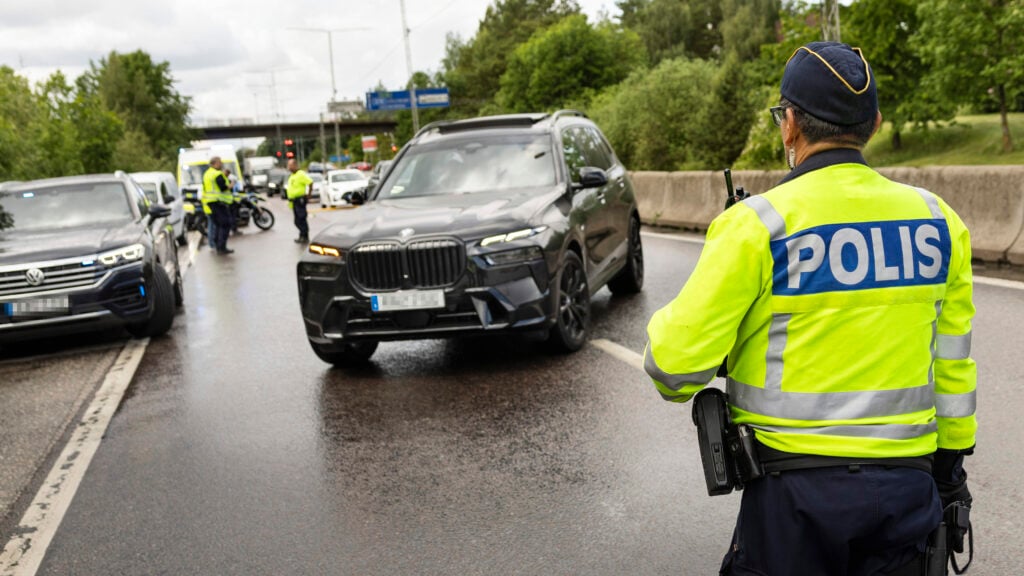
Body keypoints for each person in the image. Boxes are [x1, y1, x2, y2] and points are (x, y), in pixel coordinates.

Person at [644, 42, 976, 575]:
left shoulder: (757, 225)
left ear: (790, 125)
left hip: (793, 502)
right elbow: (953, 368)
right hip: (908, 492)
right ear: (875, 124)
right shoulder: (939, 221)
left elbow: (672, 368)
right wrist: (951, 474)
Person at [202, 156, 234, 254]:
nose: (221, 164)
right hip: (219, 201)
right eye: (220, 162)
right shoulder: (217, 174)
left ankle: (217, 246)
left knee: (218, 225)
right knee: (225, 224)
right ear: (215, 163)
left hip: (210, 202)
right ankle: (221, 247)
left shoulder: (207, 173)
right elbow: (222, 187)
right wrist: (230, 185)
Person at [286, 159, 313, 243]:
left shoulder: (300, 174)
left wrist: (309, 195)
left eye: (290, 165)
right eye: (288, 165)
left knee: (301, 219)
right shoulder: (292, 176)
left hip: (299, 200)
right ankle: (302, 235)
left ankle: (305, 236)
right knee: (297, 221)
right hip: (294, 201)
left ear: (295, 165)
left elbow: (310, 183)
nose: (289, 167)